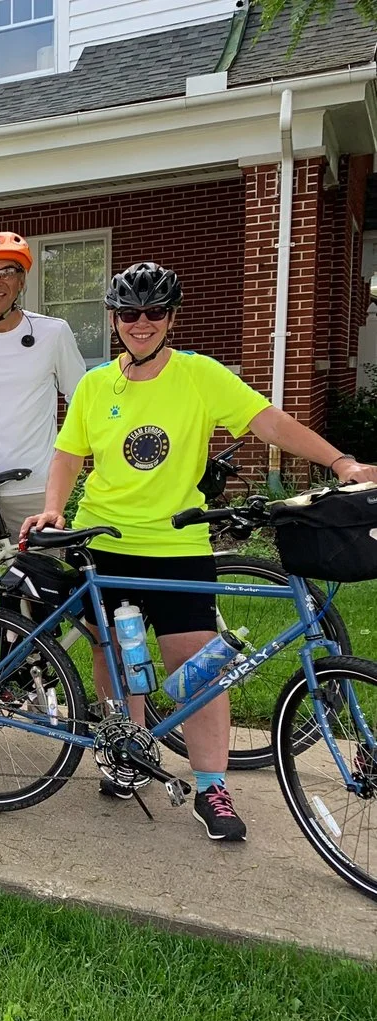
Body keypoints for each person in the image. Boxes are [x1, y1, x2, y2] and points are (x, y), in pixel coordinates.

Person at [19, 262, 377, 842]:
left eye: (153, 312)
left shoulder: (200, 376)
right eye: (129, 313)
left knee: (201, 668)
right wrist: (56, 506)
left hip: (177, 545)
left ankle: (212, 785)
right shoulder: (93, 385)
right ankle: (122, 756)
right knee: (115, 657)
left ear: (170, 319)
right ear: (114, 320)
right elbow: (67, 454)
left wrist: (340, 463)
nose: (141, 323)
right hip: (102, 544)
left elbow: (269, 422)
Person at [0, 231, 86, 541]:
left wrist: (65, 459)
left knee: (37, 586)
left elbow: (81, 400)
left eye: (7, 271)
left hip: (36, 488)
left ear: (21, 281)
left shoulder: (54, 333)